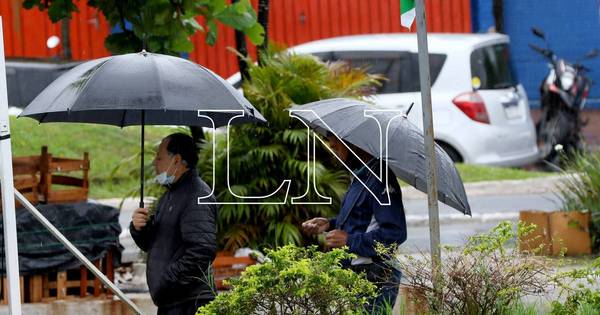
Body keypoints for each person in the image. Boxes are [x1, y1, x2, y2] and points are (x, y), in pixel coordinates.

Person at [302, 135, 407, 313]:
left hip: (377, 275)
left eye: (335, 140)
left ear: (355, 142)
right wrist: (329, 224)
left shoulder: (379, 178)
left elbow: (395, 233)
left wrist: (349, 240)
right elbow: (362, 218)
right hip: (360, 272)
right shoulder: (362, 175)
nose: (331, 145)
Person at [130, 133, 217, 315]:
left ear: (177, 160)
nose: (155, 163)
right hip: (172, 301)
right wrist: (140, 229)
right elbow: (155, 244)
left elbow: (202, 250)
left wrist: (168, 280)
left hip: (190, 303)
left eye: (159, 157)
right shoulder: (171, 194)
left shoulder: (196, 194)